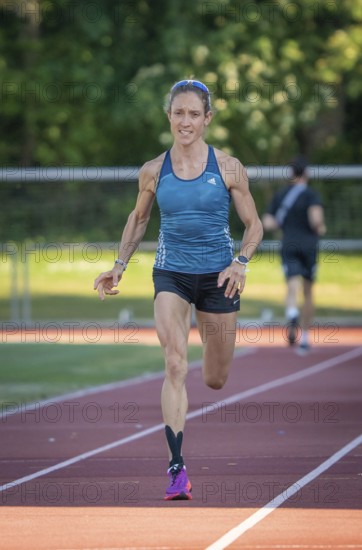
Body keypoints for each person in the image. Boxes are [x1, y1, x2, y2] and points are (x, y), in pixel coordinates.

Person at [94, 79, 263, 500]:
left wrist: (241, 262)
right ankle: (176, 467)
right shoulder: (154, 170)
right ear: (168, 116)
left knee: (216, 378)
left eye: (193, 114)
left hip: (218, 277)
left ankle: (212, 352)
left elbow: (254, 225)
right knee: (174, 363)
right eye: (178, 113)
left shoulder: (229, 167)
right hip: (170, 273)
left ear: (207, 119)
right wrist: (118, 265)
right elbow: (138, 219)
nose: (185, 121)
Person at [262, 156, 326, 352]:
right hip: (308, 245)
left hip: (288, 243)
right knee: (307, 291)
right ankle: (305, 338)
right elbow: (316, 220)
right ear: (306, 173)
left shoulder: (281, 195)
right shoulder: (311, 196)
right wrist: (320, 227)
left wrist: (282, 224)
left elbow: (267, 221)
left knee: (291, 284)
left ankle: (291, 314)